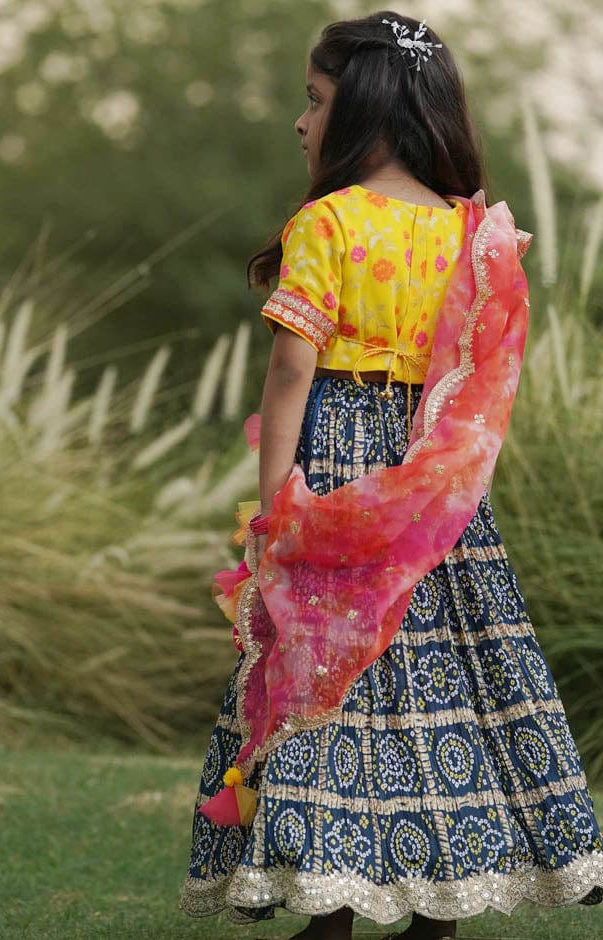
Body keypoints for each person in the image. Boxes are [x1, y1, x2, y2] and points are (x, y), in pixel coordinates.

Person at [178, 10, 603, 940]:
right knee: (438, 674)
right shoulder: (469, 228)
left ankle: (329, 897)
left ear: (364, 106)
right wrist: (453, 477)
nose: (300, 121)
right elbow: (486, 370)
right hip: (431, 479)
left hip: (338, 466)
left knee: (325, 665)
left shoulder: (329, 221)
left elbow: (293, 368)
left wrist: (279, 499)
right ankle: (434, 907)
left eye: (315, 99)